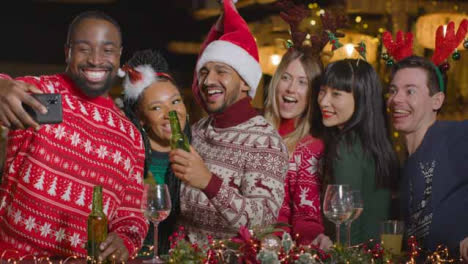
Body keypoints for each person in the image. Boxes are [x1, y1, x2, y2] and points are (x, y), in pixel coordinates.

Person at [0, 11, 147, 261]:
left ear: (120, 55)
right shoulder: (37, 93)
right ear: (68, 51)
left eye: (107, 50)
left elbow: (131, 217)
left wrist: (124, 241)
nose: (96, 59)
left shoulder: (130, 135)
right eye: (84, 49)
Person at [169, 0, 289, 244]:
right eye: (204, 72)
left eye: (221, 71)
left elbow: (263, 223)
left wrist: (208, 182)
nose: (208, 80)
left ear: (245, 82)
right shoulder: (197, 132)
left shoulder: (265, 142)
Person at [387, 55, 468, 256]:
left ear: (437, 101)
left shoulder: (456, 135)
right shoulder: (405, 168)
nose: (396, 99)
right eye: (393, 90)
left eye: (410, 91)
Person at [314, 59, 399, 245]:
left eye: (336, 94)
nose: (323, 101)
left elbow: (346, 223)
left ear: (361, 99)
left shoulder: (347, 145)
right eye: (323, 91)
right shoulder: (375, 144)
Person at [121, 49, 190, 255]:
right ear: (141, 118)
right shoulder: (129, 160)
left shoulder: (198, 151)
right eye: (156, 108)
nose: (171, 113)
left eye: (176, 101)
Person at [263, 48, 331, 249]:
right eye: (286, 78)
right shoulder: (255, 131)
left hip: (275, 249)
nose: (291, 88)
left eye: (302, 82)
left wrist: (311, 240)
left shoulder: (311, 146)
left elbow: (306, 215)